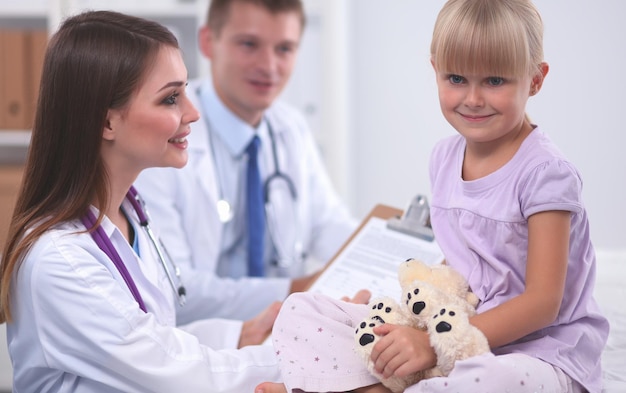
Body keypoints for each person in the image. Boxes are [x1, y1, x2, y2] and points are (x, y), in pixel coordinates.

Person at [255, 0, 610, 392]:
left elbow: (544, 302)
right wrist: (409, 330)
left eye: (495, 81)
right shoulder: (444, 158)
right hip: (459, 326)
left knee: (495, 379)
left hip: (539, 351)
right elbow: (469, 265)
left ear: (536, 79)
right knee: (302, 311)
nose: (473, 98)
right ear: (435, 70)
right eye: (456, 78)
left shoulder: (546, 174)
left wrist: (434, 343)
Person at [0, 10, 283, 392]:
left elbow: (153, 336)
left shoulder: (130, 213)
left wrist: (242, 334)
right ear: (107, 123)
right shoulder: (59, 261)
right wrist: (305, 355)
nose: (193, 113)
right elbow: (174, 372)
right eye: (170, 98)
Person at [134, 0, 357, 325]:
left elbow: (327, 225)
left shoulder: (291, 127)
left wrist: (389, 254)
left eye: (284, 48)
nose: (268, 66)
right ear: (208, 41)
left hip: (285, 332)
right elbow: (175, 288)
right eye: (249, 44)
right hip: (200, 343)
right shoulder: (163, 135)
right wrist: (299, 289)